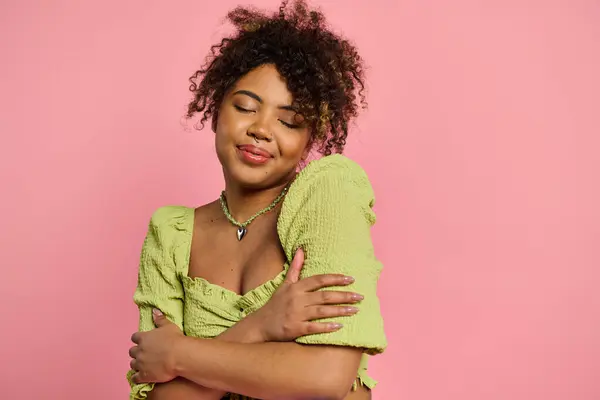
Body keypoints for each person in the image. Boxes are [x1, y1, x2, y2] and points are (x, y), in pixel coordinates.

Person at [126, 1, 386, 399]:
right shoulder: (171, 234)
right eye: (246, 106)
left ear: (309, 139)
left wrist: (179, 355)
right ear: (215, 110)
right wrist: (262, 325)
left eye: (289, 121)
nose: (261, 130)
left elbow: (326, 377)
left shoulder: (328, 192)